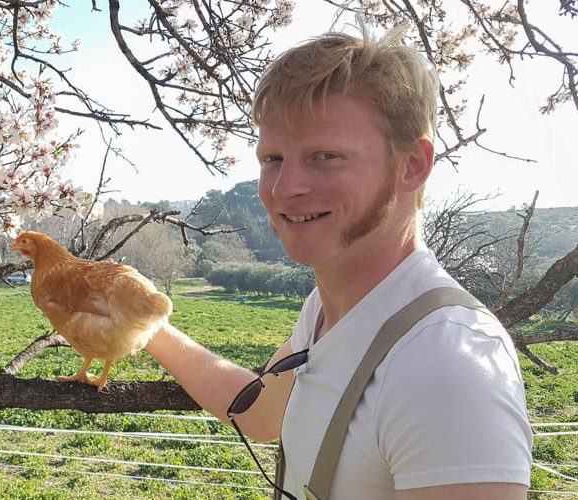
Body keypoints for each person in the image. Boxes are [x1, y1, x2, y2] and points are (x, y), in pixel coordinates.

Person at [144, 26, 533, 500]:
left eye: (325, 156)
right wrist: (145, 324)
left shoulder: (447, 363)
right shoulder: (328, 311)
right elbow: (256, 412)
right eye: (272, 158)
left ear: (412, 164)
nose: (285, 189)